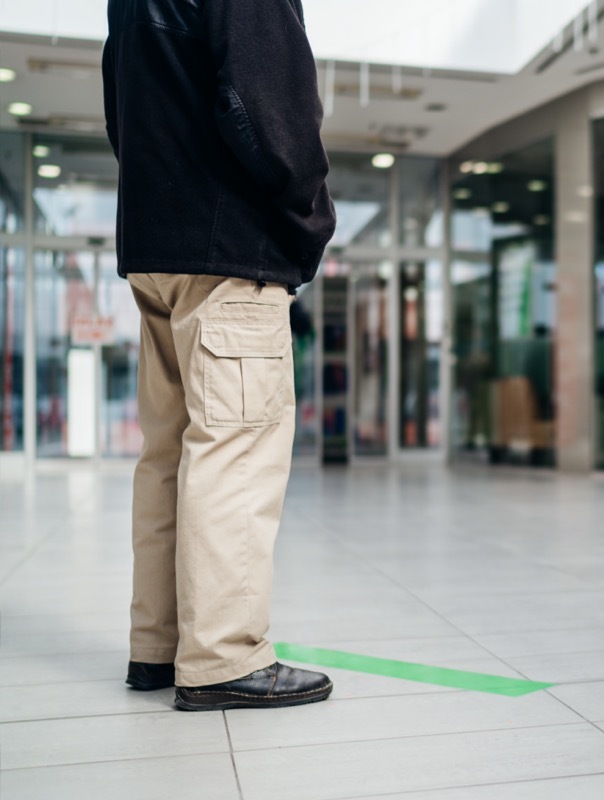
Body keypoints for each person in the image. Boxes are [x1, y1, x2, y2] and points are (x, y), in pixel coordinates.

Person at [103, 0, 338, 710]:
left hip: (155, 247)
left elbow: (122, 105)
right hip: (229, 248)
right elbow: (271, 105)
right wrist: (310, 219)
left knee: (170, 455)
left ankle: (161, 646)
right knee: (236, 451)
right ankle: (223, 656)